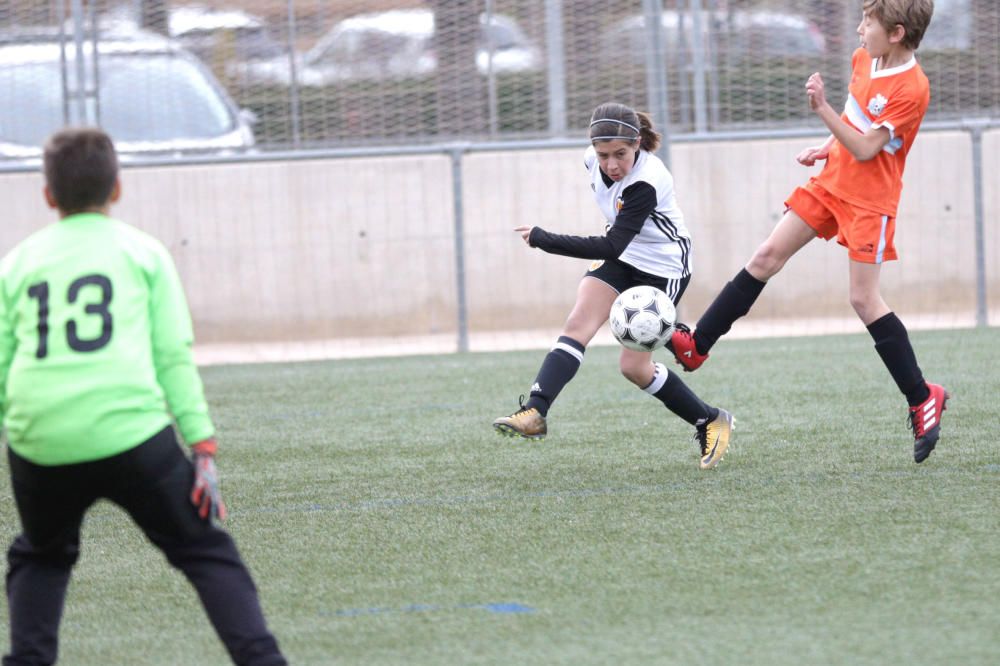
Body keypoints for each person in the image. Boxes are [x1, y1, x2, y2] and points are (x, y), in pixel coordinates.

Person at [0, 128, 286, 665]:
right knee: (204, 551)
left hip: (41, 441)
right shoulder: (144, 253)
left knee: (41, 557)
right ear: (117, 189)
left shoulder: (18, 263)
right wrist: (201, 442)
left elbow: (1, 361)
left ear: (48, 195)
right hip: (132, 436)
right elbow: (171, 354)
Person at [668, 0, 947, 463]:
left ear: (896, 33)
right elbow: (853, 120)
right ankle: (698, 345)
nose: (859, 29)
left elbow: (864, 147)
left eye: (868, 22)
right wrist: (824, 146)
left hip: (869, 202)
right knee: (766, 257)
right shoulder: (865, 59)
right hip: (831, 183)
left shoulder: (912, 89)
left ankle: (922, 397)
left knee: (863, 299)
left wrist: (820, 111)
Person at [492, 102, 734, 470]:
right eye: (604, 155)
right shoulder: (591, 158)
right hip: (624, 255)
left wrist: (543, 238)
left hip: (663, 265)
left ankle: (710, 419)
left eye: (620, 154)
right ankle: (534, 413)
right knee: (578, 324)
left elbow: (610, 246)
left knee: (634, 368)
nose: (611, 164)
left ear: (637, 143)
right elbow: (616, 242)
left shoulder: (646, 182)